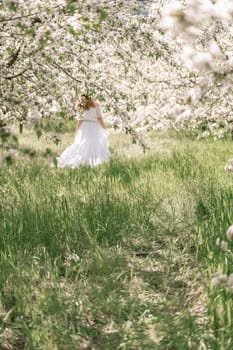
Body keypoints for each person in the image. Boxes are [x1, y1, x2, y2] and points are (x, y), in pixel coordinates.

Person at [57, 94, 110, 168]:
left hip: (84, 127)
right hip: (94, 126)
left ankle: (85, 158)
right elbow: (100, 118)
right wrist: (104, 128)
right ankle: (92, 158)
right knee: (94, 143)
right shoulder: (96, 105)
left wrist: (77, 131)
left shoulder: (81, 106)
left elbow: (80, 120)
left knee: (83, 144)